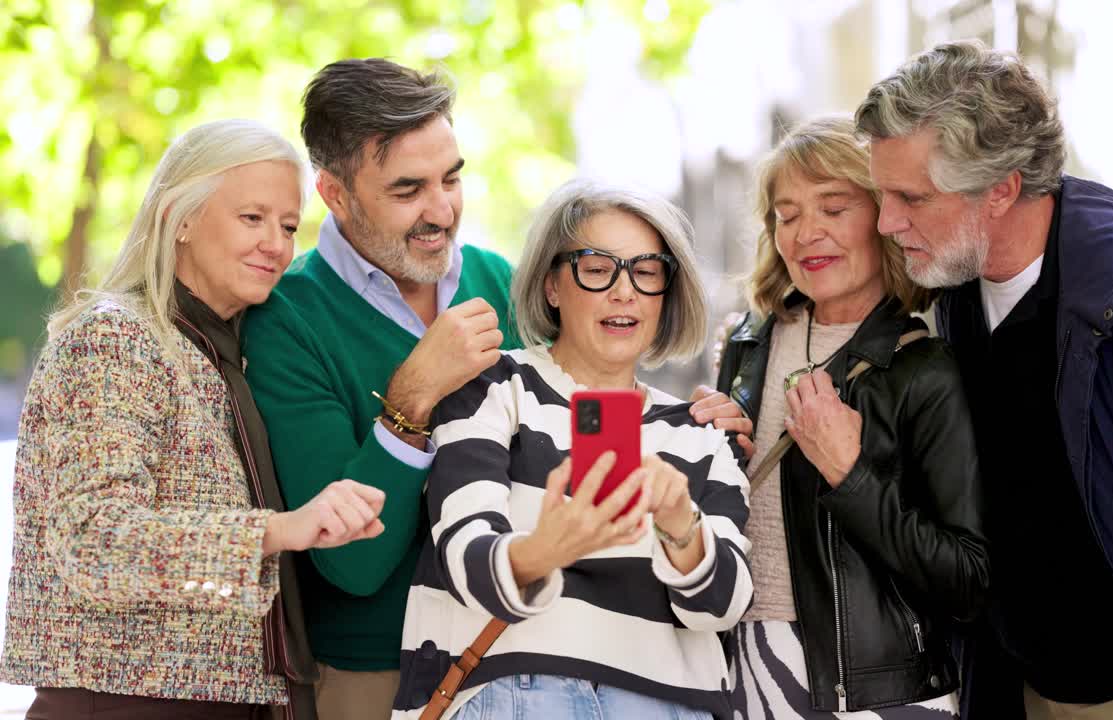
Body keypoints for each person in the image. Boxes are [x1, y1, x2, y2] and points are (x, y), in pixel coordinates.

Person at [241, 58, 754, 720]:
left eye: (451, 179)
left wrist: (689, 424)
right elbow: (352, 568)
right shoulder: (290, 318)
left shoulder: (497, 281)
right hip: (381, 673)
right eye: (407, 190)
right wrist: (410, 401)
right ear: (336, 195)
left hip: (535, 658)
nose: (441, 210)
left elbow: (590, 392)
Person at [855, 39, 1113, 720]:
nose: (886, 222)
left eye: (911, 197)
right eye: (883, 194)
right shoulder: (960, 286)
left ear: (1001, 189)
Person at [0, 119, 387, 720]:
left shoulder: (228, 352)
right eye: (251, 218)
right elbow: (95, 540)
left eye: (288, 227)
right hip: (125, 705)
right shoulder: (116, 338)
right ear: (180, 218)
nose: (277, 245)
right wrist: (279, 530)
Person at [391, 179, 754, 720]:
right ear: (552, 286)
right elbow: (463, 555)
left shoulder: (702, 433)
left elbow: (722, 608)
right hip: (516, 692)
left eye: (646, 271)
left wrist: (681, 524)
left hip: (670, 704)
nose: (624, 290)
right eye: (596, 266)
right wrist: (544, 550)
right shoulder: (493, 386)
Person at [714, 114, 988, 719]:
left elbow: (968, 578)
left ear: (885, 217)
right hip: (743, 667)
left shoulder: (924, 369)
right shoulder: (747, 345)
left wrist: (850, 474)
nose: (806, 232)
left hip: (876, 691)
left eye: (833, 209)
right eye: (786, 215)